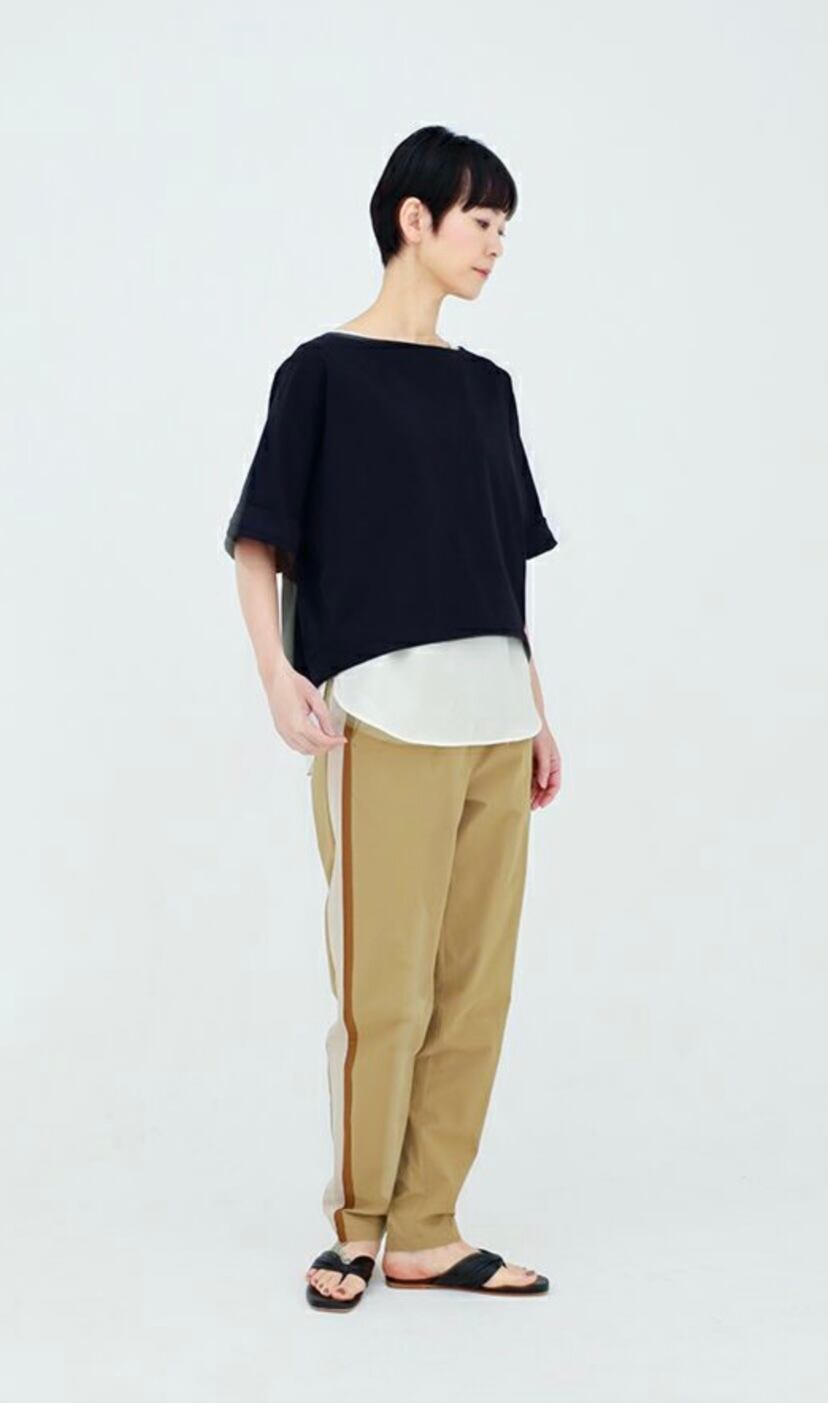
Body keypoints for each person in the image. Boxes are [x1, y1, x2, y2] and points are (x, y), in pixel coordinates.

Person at [223, 124, 562, 1311]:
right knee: (386, 988)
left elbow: (502, 566)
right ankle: (359, 1223)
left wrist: (539, 709)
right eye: (482, 221)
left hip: (495, 715)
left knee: (475, 988)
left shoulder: (488, 389)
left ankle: (428, 1226)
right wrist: (277, 672)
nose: (496, 245)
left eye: (505, 228)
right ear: (414, 219)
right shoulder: (321, 371)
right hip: (384, 711)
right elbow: (260, 538)